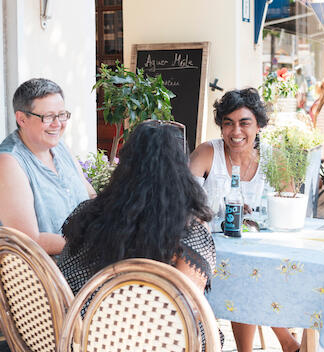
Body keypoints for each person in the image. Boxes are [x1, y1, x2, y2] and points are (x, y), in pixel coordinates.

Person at [57, 120, 222, 349]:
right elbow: (189, 308)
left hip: (75, 333)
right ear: (181, 170)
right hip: (142, 340)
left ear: (126, 164)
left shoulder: (88, 213)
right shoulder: (189, 233)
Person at [189, 88, 300, 352]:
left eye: (244, 123)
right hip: (209, 248)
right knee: (246, 273)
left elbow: (289, 201)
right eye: (228, 123)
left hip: (256, 249)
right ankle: (287, 343)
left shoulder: (273, 158)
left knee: (255, 270)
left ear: (259, 125)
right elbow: (183, 200)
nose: (236, 131)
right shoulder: (208, 153)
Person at [0, 78, 96, 255]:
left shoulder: (59, 147)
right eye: (48, 117)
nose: (57, 124)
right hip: (47, 275)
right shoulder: (9, 162)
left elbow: (89, 194)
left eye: (61, 115)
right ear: (22, 118)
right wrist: (92, 243)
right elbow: (28, 239)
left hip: (84, 260)